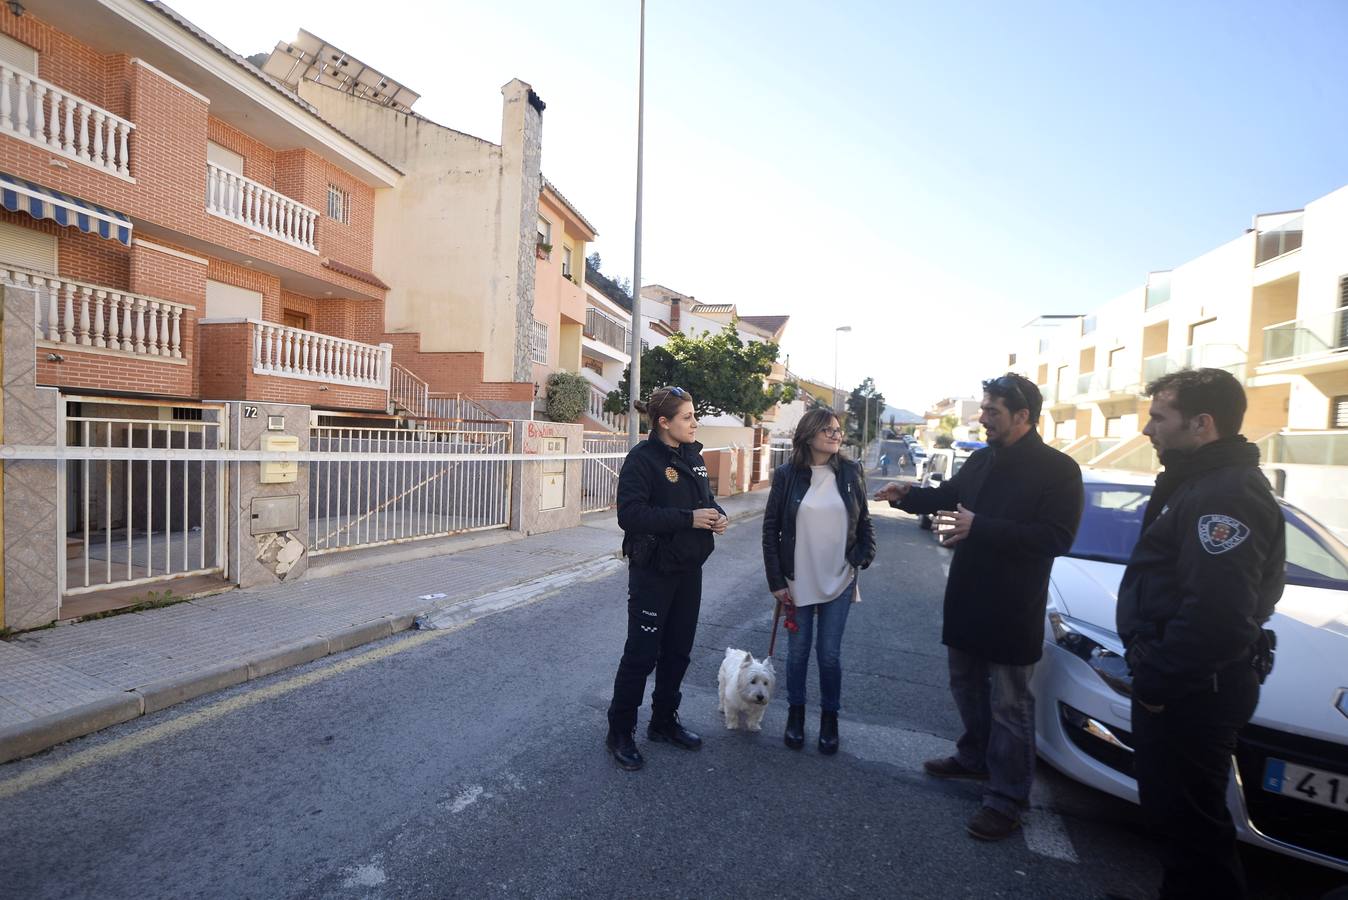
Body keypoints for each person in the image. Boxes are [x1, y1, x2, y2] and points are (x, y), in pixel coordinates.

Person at [874, 373, 1083, 841]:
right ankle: (973, 758)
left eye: (992, 411)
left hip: (1013, 606)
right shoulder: (984, 459)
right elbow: (949, 496)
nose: (983, 418)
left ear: (1023, 416)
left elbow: (1057, 537)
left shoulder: (1059, 470)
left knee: (1011, 705)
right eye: (984, 409)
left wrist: (982, 527)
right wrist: (908, 497)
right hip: (968, 596)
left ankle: (1007, 798)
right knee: (965, 685)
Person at [1116, 368, 1284, 899]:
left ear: (1202, 424)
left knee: (1196, 834)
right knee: (1175, 824)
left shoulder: (1224, 494)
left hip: (1193, 691)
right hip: (1188, 685)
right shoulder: (1201, 481)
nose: (1148, 430)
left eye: (1159, 417)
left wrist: (1158, 684)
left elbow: (1218, 615)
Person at [605, 386, 728, 771]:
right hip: (654, 572)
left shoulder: (692, 455)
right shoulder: (643, 459)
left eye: (694, 416)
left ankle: (663, 722)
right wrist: (687, 519)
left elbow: (703, 499)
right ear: (664, 422)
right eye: (687, 417)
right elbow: (631, 515)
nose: (695, 422)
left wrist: (717, 513)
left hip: (689, 569)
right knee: (641, 655)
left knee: (678, 652)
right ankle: (620, 732)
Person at [762, 408, 876, 754]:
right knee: (797, 655)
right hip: (797, 580)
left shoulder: (851, 472)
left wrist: (862, 557)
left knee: (829, 655)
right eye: (826, 429)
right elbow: (771, 530)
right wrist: (776, 581)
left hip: (839, 578)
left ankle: (830, 719)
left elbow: (865, 522)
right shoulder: (787, 475)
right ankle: (795, 716)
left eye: (838, 429)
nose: (835, 434)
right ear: (808, 435)